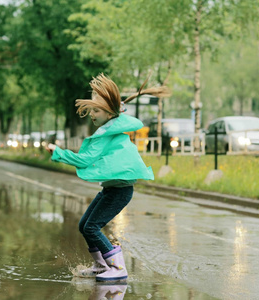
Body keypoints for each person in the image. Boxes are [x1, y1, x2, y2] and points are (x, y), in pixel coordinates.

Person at [46, 73, 169, 282]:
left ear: (110, 112)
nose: (92, 114)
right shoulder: (109, 130)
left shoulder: (107, 134)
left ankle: (117, 267)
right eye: (91, 110)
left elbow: (85, 160)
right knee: (84, 225)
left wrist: (58, 152)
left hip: (120, 191)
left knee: (92, 227)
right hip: (112, 190)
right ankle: (101, 265)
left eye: (96, 110)